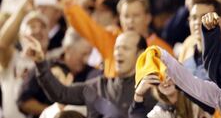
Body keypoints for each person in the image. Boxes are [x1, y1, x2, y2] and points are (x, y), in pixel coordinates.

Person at [24, 31, 156, 118]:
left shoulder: (151, 90)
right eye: (116, 48)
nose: (118, 53)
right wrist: (41, 62)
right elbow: (60, 93)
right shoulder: (97, 86)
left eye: (125, 48)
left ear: (140, 54)